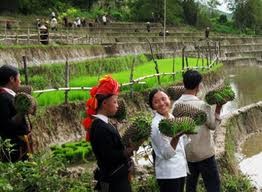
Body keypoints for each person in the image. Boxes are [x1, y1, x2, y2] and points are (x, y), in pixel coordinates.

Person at [83, 75, 137, 192]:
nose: (117, 105)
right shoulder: (100, 127)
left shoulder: (104, 124)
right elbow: (109, 157)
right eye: (115, 102)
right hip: (114, 183)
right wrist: (127, 151)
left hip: (116, 179)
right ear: (104, 104)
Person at [172, 70, 222, 192]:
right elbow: (212, 126)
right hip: (205, 155)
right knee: (213, 186)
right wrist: (218, 109)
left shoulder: (175, 105)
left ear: (184, 84)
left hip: (187, 155)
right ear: (198, 86)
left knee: (190, 186)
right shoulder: (202, 106)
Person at [149, 89, 189, 192]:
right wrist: (176, 137)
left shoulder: (172, 118)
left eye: (163, 99)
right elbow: (166, 154)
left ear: (169, 99)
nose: (162, 103)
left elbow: (181, 146)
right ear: (153, 106)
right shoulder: (156, 125)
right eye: (156, 102)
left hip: (180, 169)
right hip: (169, 174)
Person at [0, 65, 32, 162]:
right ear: (12, 79)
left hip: (19, 145)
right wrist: (22, 111)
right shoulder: (4, 98)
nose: (20, 81)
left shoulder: (10, 96)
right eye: (19, 78)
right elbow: (6, 125)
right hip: (15, 148)